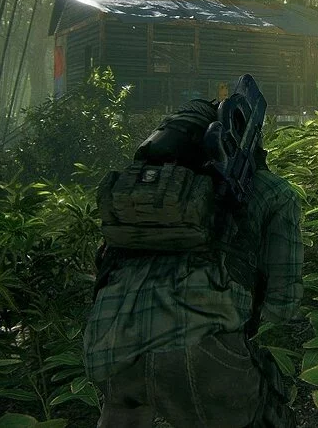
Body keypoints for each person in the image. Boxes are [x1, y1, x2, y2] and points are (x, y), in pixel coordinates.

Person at [84, 98, 303, 428]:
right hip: (199, 346)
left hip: (108, 344)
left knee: (123, 413)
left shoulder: (143, 189)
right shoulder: (270, 191)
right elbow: (283, 304)